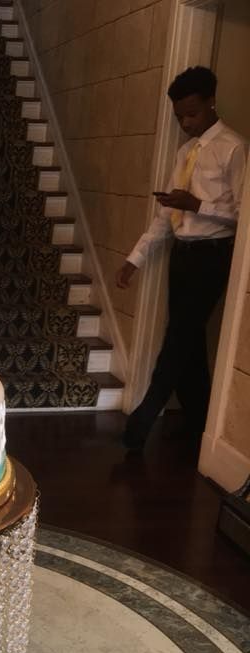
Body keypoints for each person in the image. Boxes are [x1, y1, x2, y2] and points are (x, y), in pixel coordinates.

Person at [116, 66, 247, 450]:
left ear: (211, 103)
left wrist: (198, 204)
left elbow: (244, 215)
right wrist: (134, 259)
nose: (186, 123)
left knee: (178, 338)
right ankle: (199, 422)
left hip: (213, 256)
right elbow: (167, 216)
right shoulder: (185, 152)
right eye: (180, 117)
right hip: (182, 254)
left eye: (192, 114)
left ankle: (141, 420)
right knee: (186, 339)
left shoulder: (234, 148)